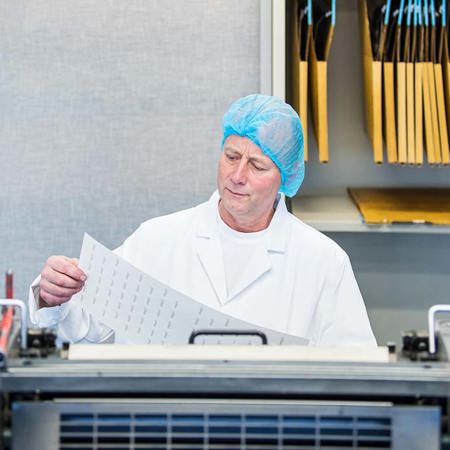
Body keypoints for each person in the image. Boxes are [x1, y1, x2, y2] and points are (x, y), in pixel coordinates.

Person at [29, 94, 376, 346]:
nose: (237, 175)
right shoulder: (157, 239)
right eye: (231, 156)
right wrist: (53, 295)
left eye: (257, 165)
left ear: (284, 178)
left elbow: (355, 368)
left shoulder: (323, 261)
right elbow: (88, 325)